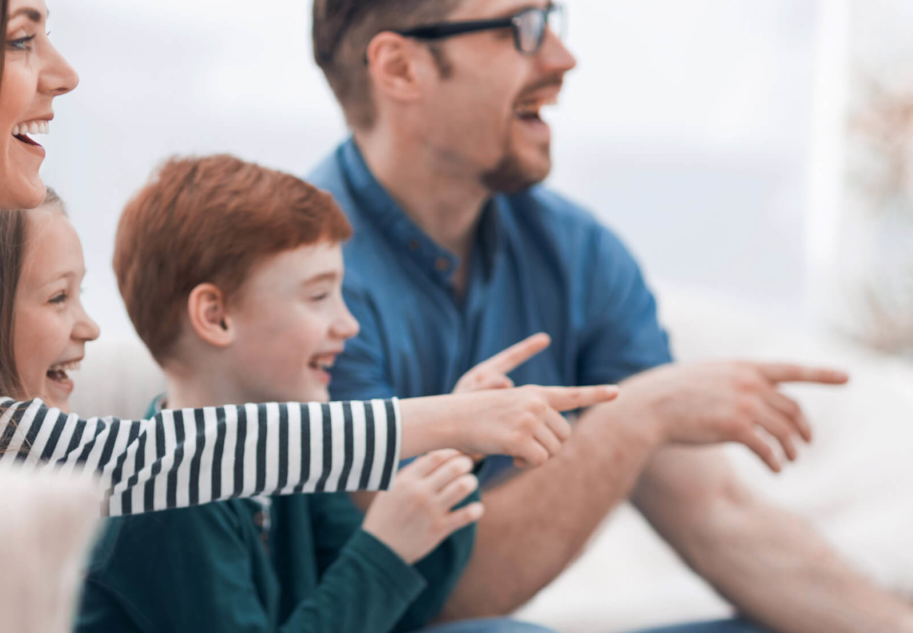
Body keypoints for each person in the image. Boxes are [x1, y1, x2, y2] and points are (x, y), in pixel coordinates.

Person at [0, 0, 600, 518]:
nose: (64, 73)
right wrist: (447, 422)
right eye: (21, 39)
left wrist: (449, 421)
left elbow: (131, 461)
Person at [306, 0, 913, 631]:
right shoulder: (301, 286)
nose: (562, 58)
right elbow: (430, 596)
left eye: (551, 21)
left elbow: (718, 515)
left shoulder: (577, 253)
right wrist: (636, 418)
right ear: (400, 68)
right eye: (521, 28)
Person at [75, 155, 599, 632]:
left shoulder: (294, 464)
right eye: (319, 296)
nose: (348, 324)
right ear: (216, 317)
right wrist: (383, 549)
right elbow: (372, 575)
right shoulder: (170, 501)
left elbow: (403, 611)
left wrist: (456, 455)